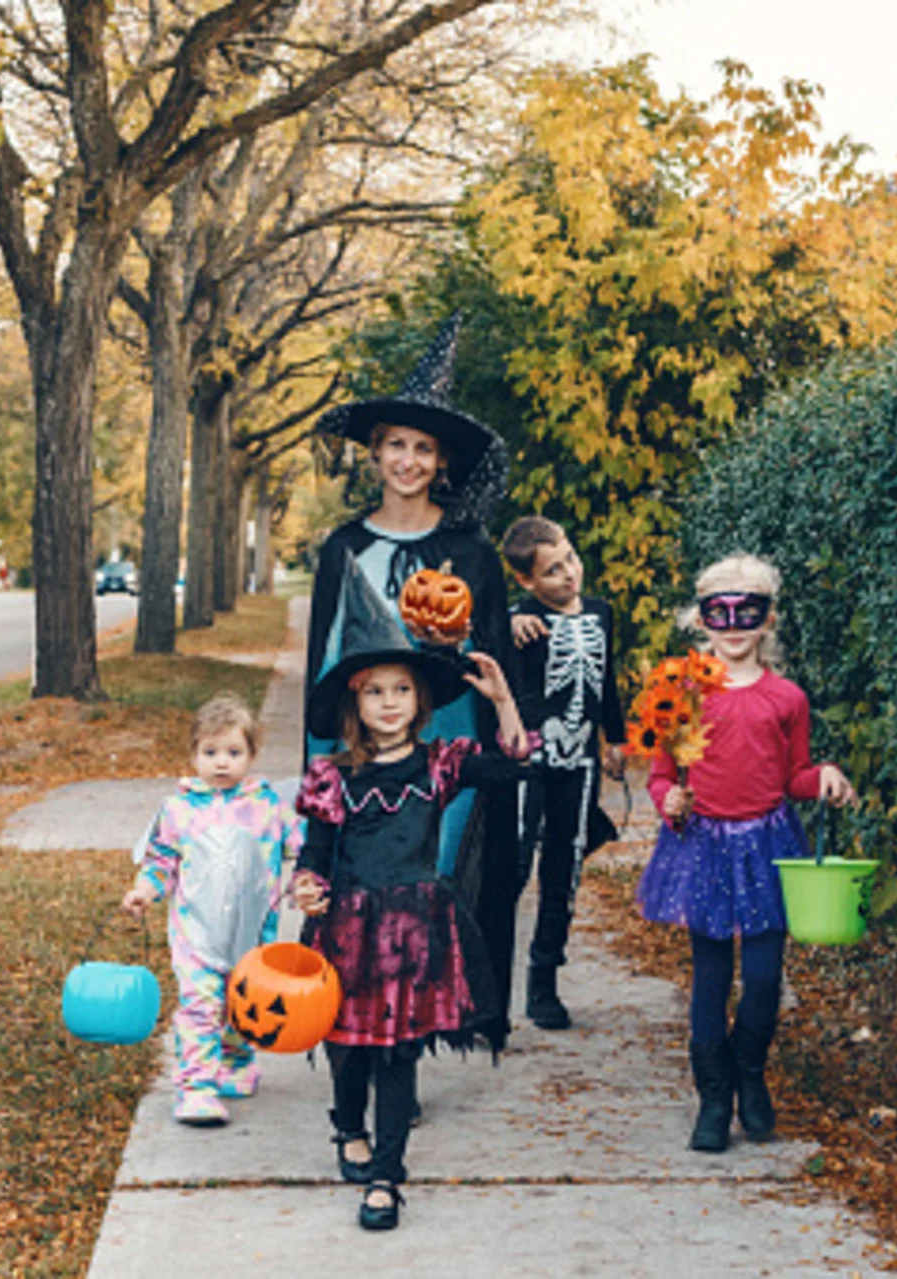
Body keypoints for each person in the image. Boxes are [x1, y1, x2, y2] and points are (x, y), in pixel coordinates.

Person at [305, 314, 527, 1048]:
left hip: (451, 728)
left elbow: (494, 658)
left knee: (431, 880)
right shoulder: (345, 546)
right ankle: (373, 1030)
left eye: (422, 448)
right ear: (374, 453)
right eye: (395, 444)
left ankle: (416, 1031)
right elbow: (327, 652)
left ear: (440, 462)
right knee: (364, 885)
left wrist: (503, 719)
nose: (407, 459)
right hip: (365, 733)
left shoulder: (470, 551)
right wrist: (320, 751)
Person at [292, 553, 530, 1231]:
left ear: (419, 699)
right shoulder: (331, 774)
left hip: (416, 932)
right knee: (350, 1046)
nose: (389, 702)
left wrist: (503, 698)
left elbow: (517, 764)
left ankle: (388, 1179)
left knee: (397, 1053)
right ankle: (347, 1125)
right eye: (375, 691)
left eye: (401, 689)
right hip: (346, 927)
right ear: (355, 702)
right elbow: (315, 852)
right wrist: (307, 887)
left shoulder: (441, 764)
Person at [637, 554, 857, 1153]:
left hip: (766, 844)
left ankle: (750, 1072)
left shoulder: (787, 699)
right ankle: (713, 1098)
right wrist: (669, 800)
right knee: (710, 976)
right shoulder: (679, 691)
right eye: (719, 611)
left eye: (747, 612)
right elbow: (660, 775)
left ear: (768, 620)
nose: (733, 624)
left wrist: (827, 776)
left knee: (762, 978)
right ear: (701, 618)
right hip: (703, 844)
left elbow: (794, 777)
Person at [121, 695, 302, 1127]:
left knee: (245, 1004)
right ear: (193, 754)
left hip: (253, 933)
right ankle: (196, 1087)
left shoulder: (269, 807)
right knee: (201, 1005)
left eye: (234, 753)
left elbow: (305, 849)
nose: (222, 763)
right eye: (211, 752)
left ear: (252, 756)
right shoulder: (178, 811)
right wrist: (145, 891)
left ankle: (237, 1064)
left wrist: (309, 880)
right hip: (196, 934)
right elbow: (161, 859)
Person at [502, 515, 627, 1031]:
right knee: (513, 864)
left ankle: (544, 978)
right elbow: (502, 674)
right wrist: (507, 625)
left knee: (565, 866)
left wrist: (616, 738)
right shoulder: (521, 618)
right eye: (553, 571)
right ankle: (487, 985)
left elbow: (607, 681)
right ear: (528, 581)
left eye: (570, 559)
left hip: (581, 762)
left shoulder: (600, 613)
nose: (570, 575)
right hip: (533, 761)